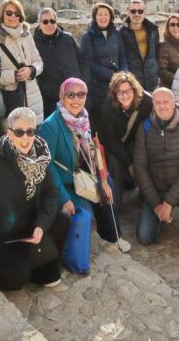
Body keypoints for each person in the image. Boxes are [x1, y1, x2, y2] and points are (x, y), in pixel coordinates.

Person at [0, 106, 67, 291]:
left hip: (28, 228)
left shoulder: (40, 156)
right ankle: (27, 262)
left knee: (64, 219)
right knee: (14, 281)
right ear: (10, 133)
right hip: (3, 236)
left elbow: (50, 194)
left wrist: (41, 225)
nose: (25, 138)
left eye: (30, 132)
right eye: (19, 132)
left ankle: (38, 259)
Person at [39, 78, 130, 255]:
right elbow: (46, 167)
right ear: (62, 97)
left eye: (81, 94)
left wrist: (102, 178)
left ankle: (112, 236)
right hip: (65, 183)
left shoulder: (82, 118)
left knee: (107, 185)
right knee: (85, 213)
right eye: (71, 95)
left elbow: (90, 151)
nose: (76, 99)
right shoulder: (50, 126)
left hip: (82, 173)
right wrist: (64, 198)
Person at [133, 87, 179, 250]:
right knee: (144, 237)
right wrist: (156, 204)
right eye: (157, 102)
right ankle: (161, 217)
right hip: (157, 188)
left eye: (166, 102)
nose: (162, 106)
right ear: (153, 104)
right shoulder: (144, 127)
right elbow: (140, 167)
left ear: (174, 103)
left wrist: (168, 202)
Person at [96, 71, 153, 212]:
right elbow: (109, 139)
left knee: (145, 158)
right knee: (115, 163)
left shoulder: (146, 101)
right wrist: (129, 163)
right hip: (114, 144)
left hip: (136, 140)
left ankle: (147, 199)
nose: (124, 95)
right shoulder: (109, 105)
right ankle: (115, 206)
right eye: (120, 92)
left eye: (128, 91)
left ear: (134, 89)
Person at [0, 0, 44, 124]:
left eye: (17, 14)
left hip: (33, 97)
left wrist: (31, 70)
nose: (13, 17)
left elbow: (39, 62)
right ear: (2, 15)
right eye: (9, 13)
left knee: (34, 131)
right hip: (10, 98)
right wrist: (15, 75)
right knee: (14, 133)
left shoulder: (26, 36)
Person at [78, 2, 128, 121]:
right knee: (103, 119)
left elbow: (122, 55)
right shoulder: (87, 36)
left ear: (111, 17)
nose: (103, 17)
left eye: (106, 14)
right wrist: (112, 75)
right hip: (98, 87)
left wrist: (124, 73)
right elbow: (89, 63)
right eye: (100, 14)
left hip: (118, 84)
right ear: (95, 17)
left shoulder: (116, 34)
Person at [33, 7, 85, 119]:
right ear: (39, 23)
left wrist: (83, 83)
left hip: (74, 95)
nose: (49, 24)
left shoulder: (68, 38)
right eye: (45, 21)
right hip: (50, 99)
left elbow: (82, 61)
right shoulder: (34, 44)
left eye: (52, 21)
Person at [119, 0, 160, 91]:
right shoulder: (121, 33)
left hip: (152, 82)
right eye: (133, 11)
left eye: (140, 11)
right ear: (128, 12)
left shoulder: (153, 31)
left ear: (145, 13)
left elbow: (156, 53)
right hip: (133, 84)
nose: (137, 14)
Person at [158, 14, 179, 88]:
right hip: (171, 86)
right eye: (172, 24)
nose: (175, 27)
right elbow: (161, 70)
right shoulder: (163, 46)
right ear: (168, 27)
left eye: (178, 25)